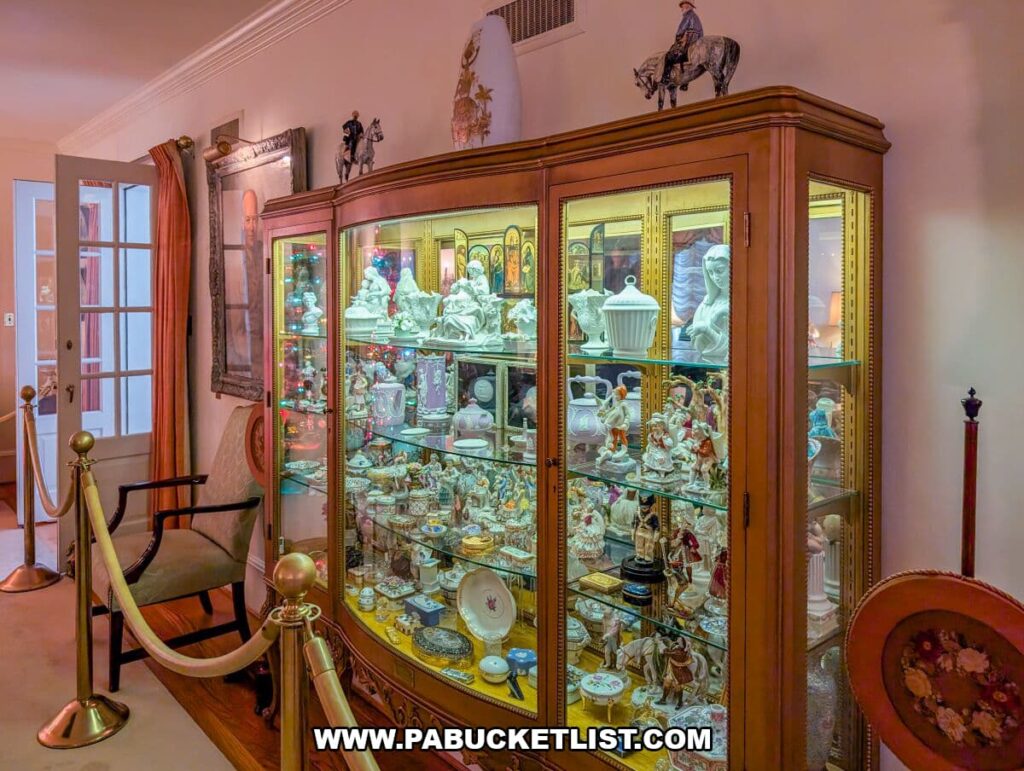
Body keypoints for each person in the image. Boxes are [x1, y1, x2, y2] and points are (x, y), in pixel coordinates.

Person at [662, 1, 704, 87]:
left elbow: (680, 30)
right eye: (681, 7)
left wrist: (678, 39)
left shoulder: (687, 16)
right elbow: (701, 33)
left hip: (688, 41)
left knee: (669, 57)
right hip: (695, 42)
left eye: (683, 6)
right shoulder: (696, 17)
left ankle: (665, 78)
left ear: (688, 6)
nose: (681, 9)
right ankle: (685, 82)